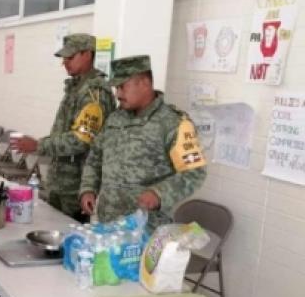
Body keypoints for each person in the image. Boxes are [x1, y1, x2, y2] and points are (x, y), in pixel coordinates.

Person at [79, 55, 208, 233]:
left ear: (145, 83)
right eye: (116, 88)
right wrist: (88, 188)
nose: (118, 94)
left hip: (146, 230)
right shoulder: (115, 119)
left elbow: (194, 172)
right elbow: (94, 158)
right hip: (108, 225)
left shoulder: (172, 123)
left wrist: (159, 193)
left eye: (122, 87)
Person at [12, 33, 115, 222]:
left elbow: (81, 140)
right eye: (64, 58)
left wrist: (39, 145)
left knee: (70, 236)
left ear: (88, 54)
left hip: (76, 185)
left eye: (71, 57)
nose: (65, 63)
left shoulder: (94, 92)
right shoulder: (76, 88)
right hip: (60, 181)